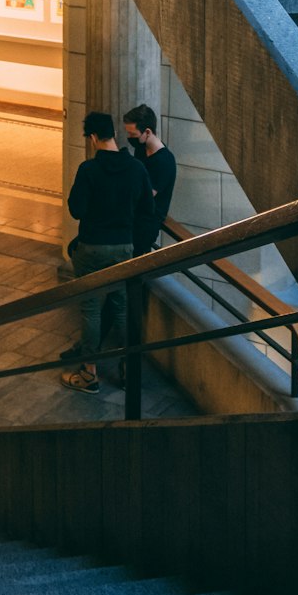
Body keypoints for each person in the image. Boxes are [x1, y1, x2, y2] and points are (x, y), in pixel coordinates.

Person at [60, 111, 153, 395]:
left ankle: (90, 374)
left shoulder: (88, 170)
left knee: (91, 310)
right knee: (121, 306)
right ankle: (127, 368)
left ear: (92, 138)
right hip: (123, 247)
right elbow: (146, 210)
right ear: (112, 134)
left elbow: (76, 209)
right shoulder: (137, 169)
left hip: (91, 247)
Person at [122, 103, 178, 255]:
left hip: (147, 221)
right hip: (136, 214)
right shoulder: (141, 149)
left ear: (147, 132)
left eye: (133, 135)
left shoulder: (164, 161)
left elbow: (145, 194)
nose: (129, 138)